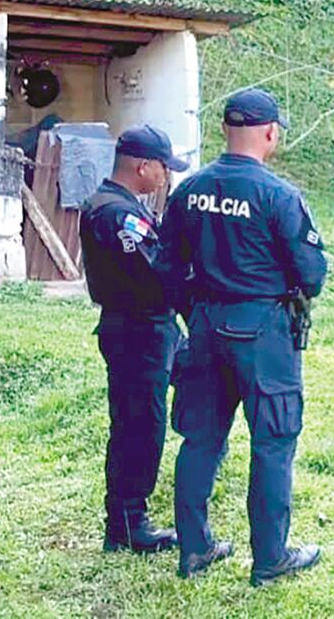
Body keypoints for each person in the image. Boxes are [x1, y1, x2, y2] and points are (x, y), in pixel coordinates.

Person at [156, 88, 328, 587]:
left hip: (206, 326)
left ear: (225, 131)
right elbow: (312, 274)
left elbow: (166, 266)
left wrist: (195, 308)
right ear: (270, 132)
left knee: (200, 439)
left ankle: (194, 549)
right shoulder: (278, 195)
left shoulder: (190, 189)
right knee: (273, 443)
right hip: (265, 333)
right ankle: (270, 558)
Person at [80, 124, 189, 554]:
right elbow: (155, 274)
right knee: (140, 426)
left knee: (140, 420)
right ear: (144, 166)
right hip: (139, 330)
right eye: (164, 167)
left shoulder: (109, 203)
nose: (166, 176)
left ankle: (128, 517)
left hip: (137, 328)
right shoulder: (118, 213)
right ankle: (128, 522)